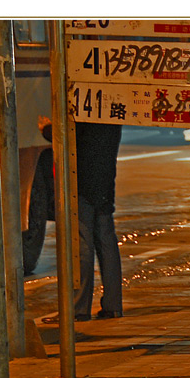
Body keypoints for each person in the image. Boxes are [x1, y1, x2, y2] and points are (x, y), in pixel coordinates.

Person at [74, 122, 124, 321]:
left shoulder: (85, 107)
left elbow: (74, 138)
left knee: (83, 242)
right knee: (106, 241)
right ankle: (113, 306)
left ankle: (79, 308)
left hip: (82, 180)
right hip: (105, 179)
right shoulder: (111, 106)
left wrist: (47, 130)